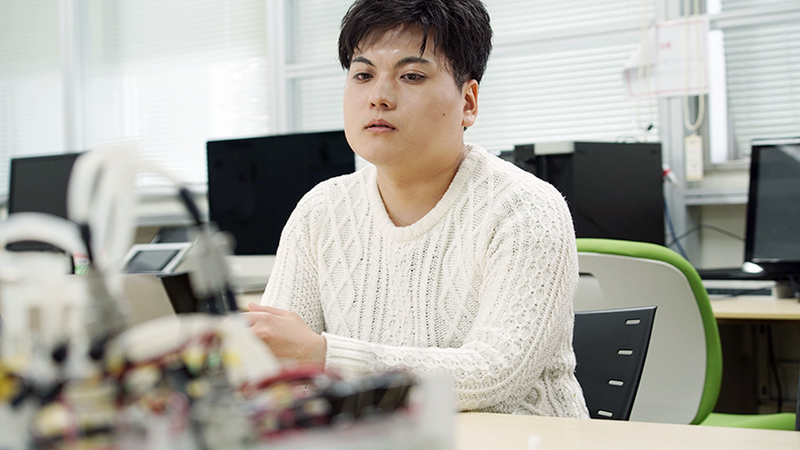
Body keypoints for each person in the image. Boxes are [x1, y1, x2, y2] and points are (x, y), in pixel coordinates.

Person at [245, 0, 588, 417]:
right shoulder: (322, 209)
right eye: (363, 74)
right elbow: (277, 361)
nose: (379, 97)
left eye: (411, 75)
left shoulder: (526, 208)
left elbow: (494, 374)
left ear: (468, 102)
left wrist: (325, 355)